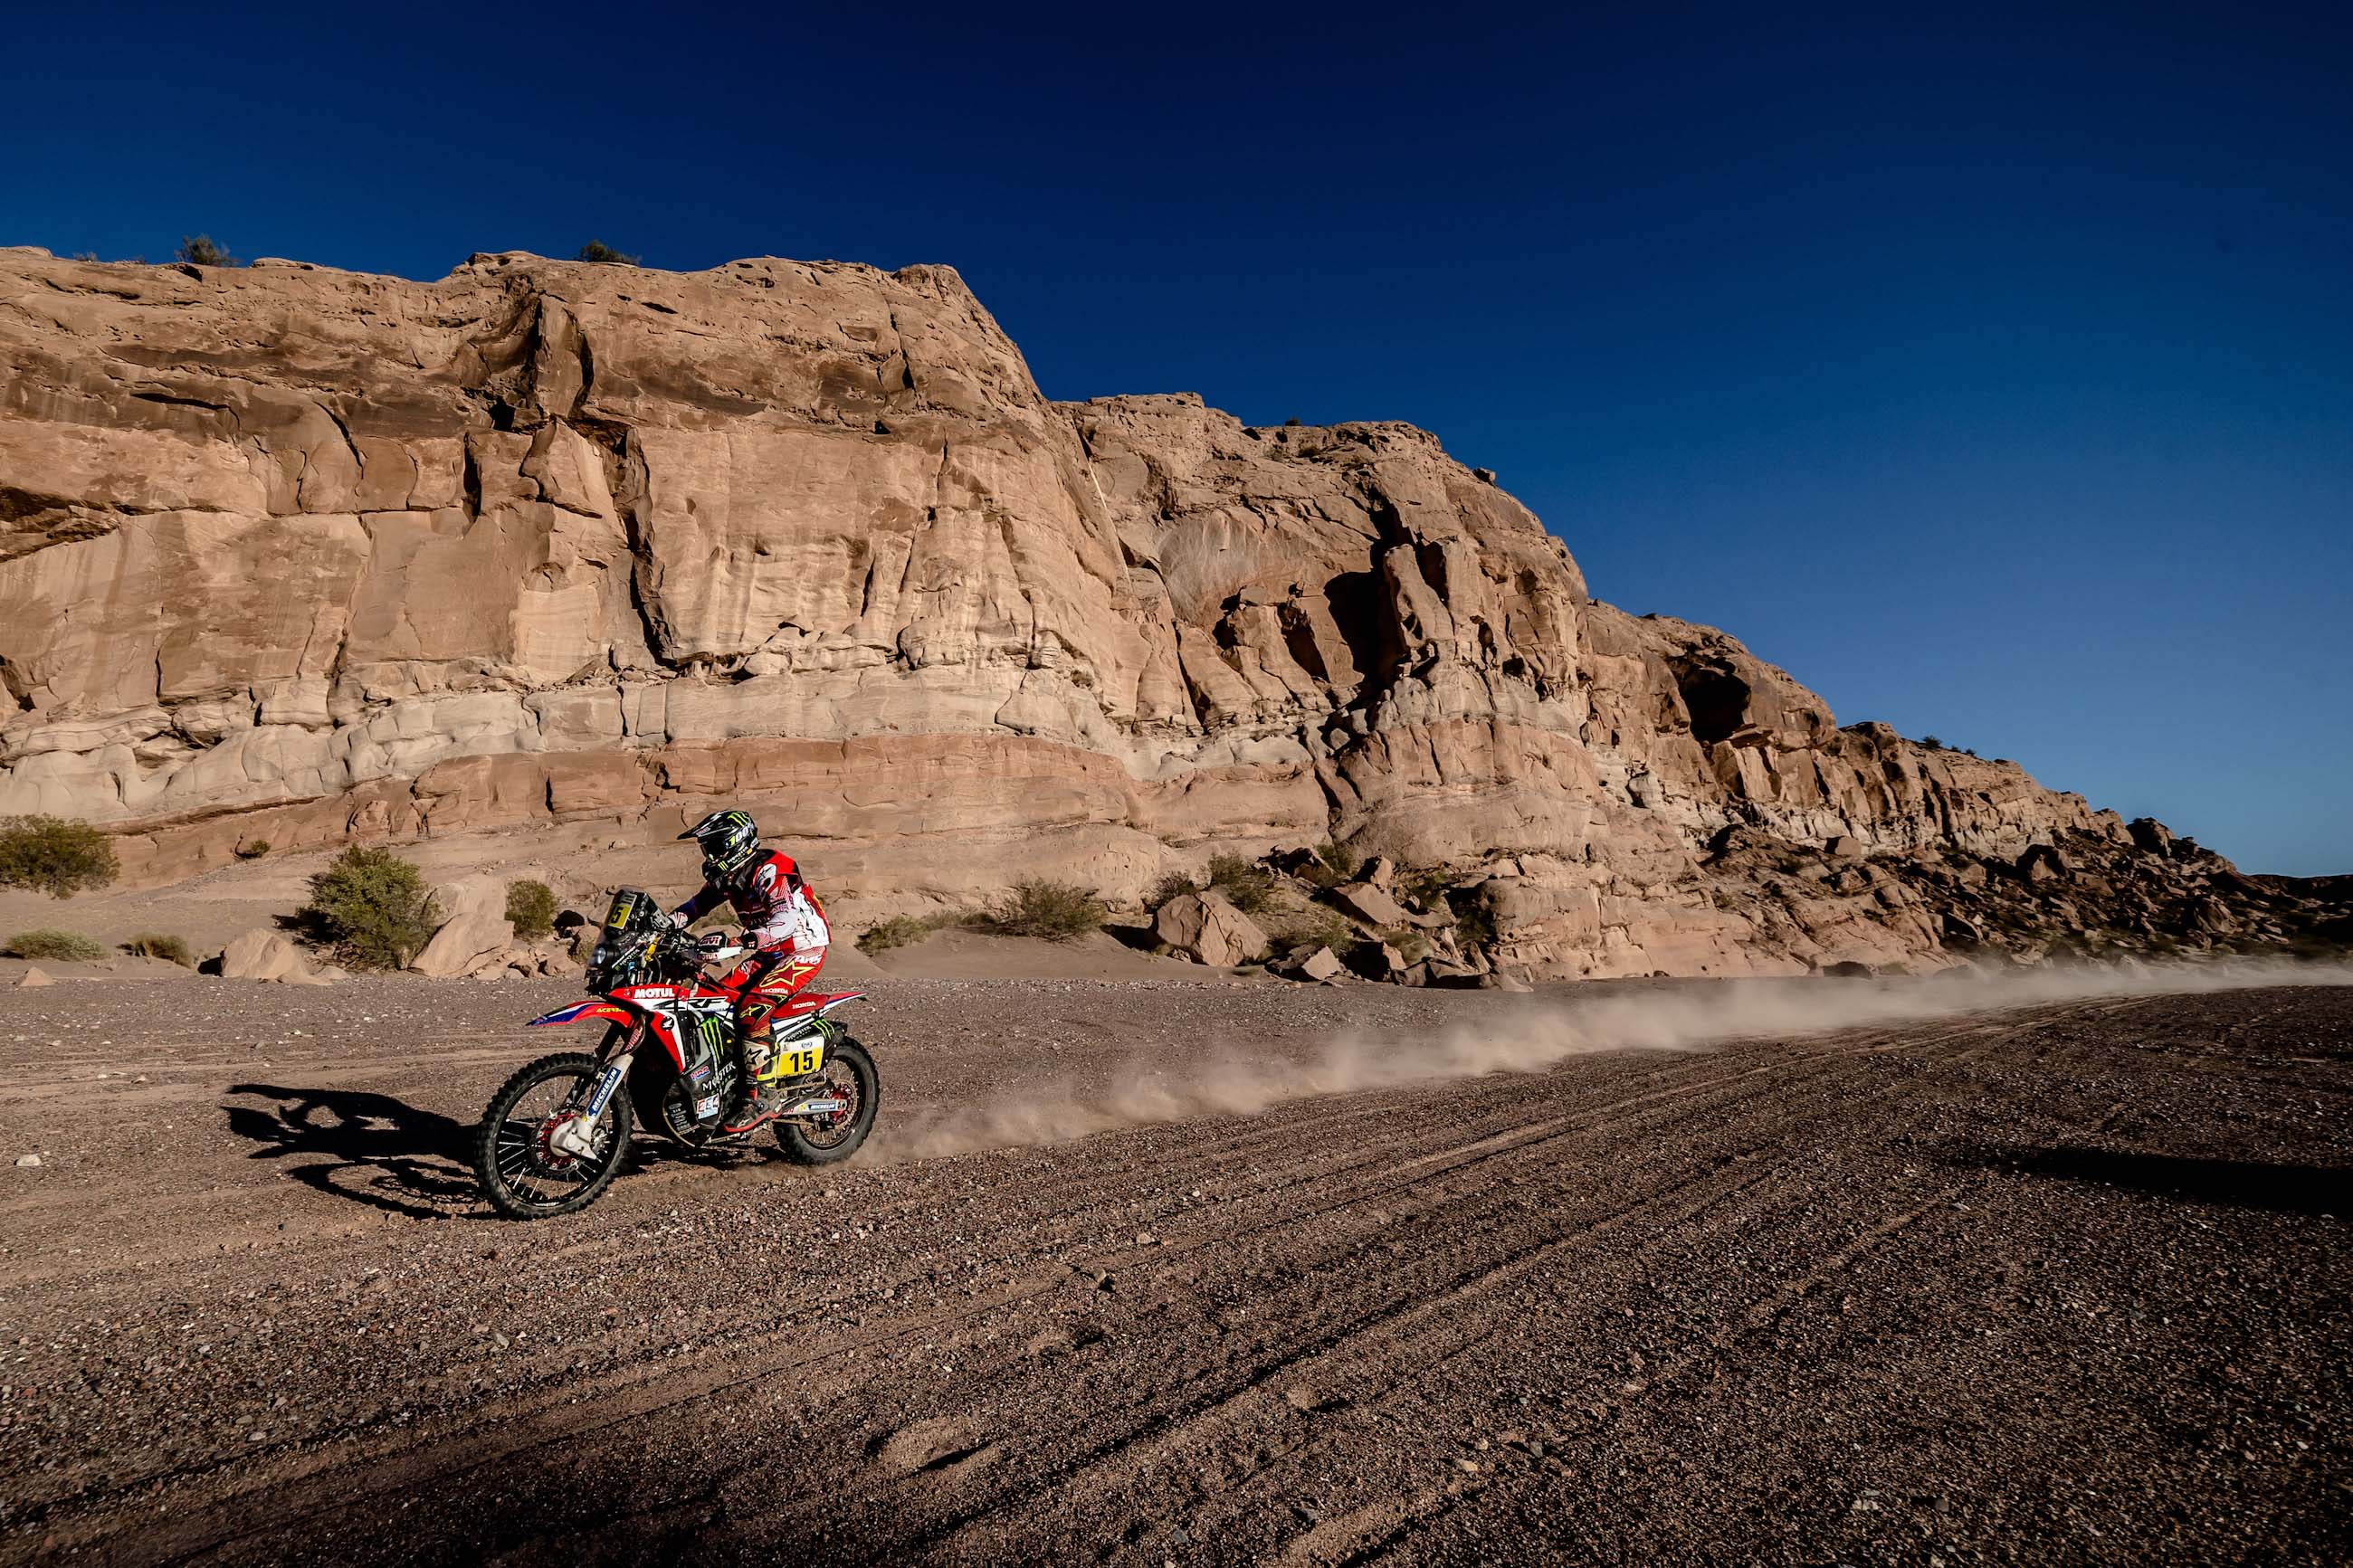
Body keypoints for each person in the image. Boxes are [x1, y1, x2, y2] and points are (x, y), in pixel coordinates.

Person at [669, 809, 831, 1134]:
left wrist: (742, 940)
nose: (709, 855)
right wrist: (660, 926)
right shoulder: (727, 877)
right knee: (713, 1000)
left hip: (802, 948)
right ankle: (727, 1079)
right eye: (706, 848)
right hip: (769, 950)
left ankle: (762, 1095)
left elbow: (785, 920)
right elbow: (693, 908)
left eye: (713, 847)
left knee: (752, 1009)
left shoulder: (769, 869)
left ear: (735, 842)